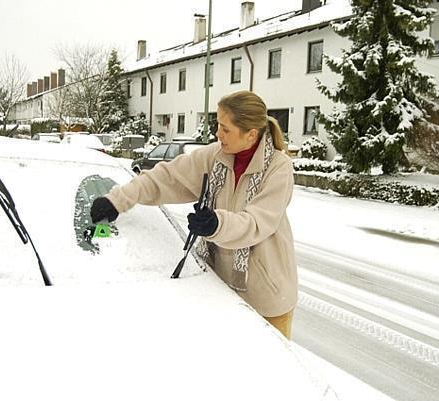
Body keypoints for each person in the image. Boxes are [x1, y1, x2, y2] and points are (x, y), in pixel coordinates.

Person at [90, 90, 297, 338]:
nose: (217, 134)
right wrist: (118, 200)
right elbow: (166, 177)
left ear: (251, 134)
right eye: (216, 125)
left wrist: (215, 225)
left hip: (266, 299)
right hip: (216, 288)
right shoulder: (215, 157)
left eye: (225, 128)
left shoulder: (278, 168)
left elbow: (257, 223)